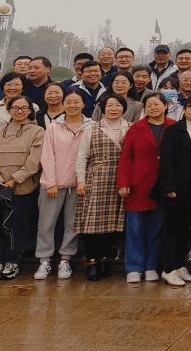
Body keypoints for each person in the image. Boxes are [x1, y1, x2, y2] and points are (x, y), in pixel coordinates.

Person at [0, 95, 44, 280]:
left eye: (24, 108)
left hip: (23, 188)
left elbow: (34, 161)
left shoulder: (38, 132)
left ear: (30, 111)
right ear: (8, 110)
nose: (20, 111)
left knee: (16, 226)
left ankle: (12, 261)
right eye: (15, 108)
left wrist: (16, 179)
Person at [117, 92, 174, 283]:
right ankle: (134, 267)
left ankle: (151, 266)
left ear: (165, 106)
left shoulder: (173, 126)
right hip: (138, 184)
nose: (153, 108)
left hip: (163, 185)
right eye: (149, 105)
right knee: (135, 228)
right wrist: (123, 182)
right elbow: (126, 157)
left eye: (157, 104)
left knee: (157, 229)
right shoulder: (136, 128)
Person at [34, 90, 90, 281]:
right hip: (54, 184)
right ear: (63, 104)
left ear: (83, 104)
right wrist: (50, 182)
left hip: (78, 184)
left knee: (72, 224)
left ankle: (66, 259)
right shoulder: (53, 127)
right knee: (46, 223)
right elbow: (47, 155)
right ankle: (44, 260)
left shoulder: (91, 126)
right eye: (69, 102)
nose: (72, 106)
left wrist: (83, 180)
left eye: (76, 102)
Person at [75, 94, 130, 281]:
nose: (114, 109)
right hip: (97, 178)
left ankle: (105, 259)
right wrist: (81, 180)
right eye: (109, 105)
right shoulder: (91, 127)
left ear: (124, 108)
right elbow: (82, 156)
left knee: (112, 224)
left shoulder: (130, 127)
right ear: (103, 108)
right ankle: (92, 261)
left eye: (118, 105)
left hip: (121, 179)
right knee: (93, 224)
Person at [157, 95, 191, 285]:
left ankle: (179, 265)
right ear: (185, 109)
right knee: (172, 227)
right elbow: (166, 160)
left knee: (186, 227)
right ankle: (168, 268)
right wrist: (169, 186)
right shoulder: (174, 130)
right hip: (178, 185)